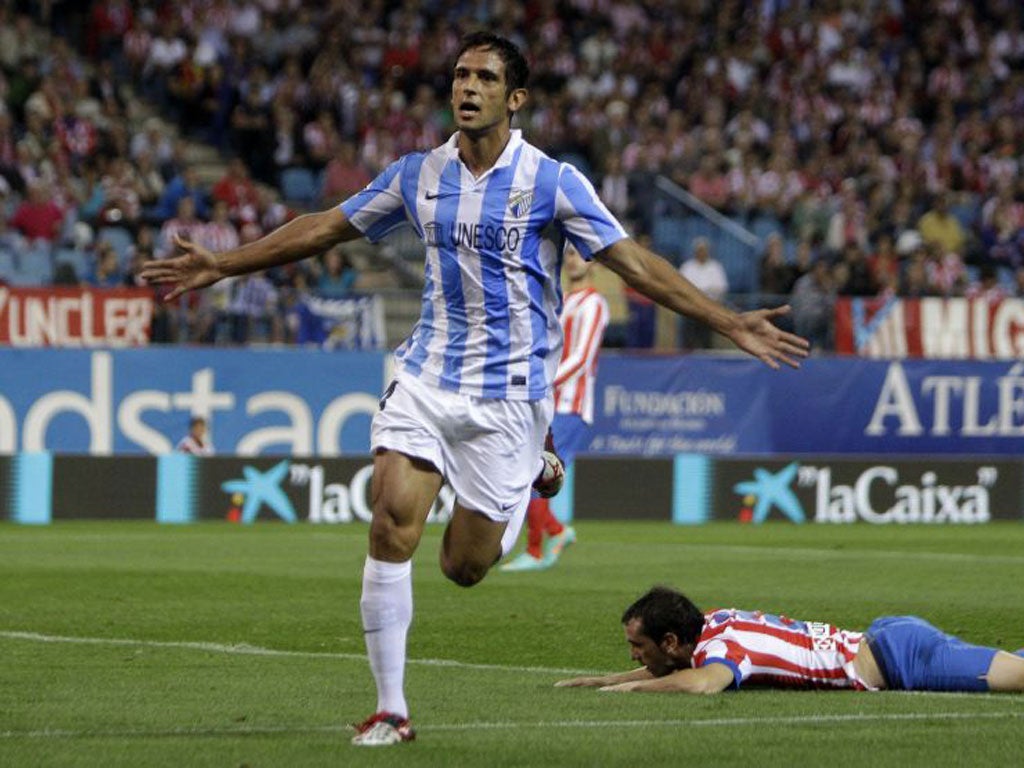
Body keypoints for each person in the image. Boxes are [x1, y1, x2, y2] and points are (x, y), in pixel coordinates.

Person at [141, 32, 809, 747]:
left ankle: (528, 477)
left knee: (463, 567)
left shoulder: (553, 181)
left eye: (485, 77)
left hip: (508, 400)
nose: (467, 86)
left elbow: (634, 264)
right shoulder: (417, 174)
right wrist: (225, 264)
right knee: (390, 516)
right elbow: (326, 227)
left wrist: (726, 321)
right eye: (461, 74)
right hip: (428, 375)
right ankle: (391, 710)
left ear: (514, 99)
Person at [555, 586, 1024, 694]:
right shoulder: (713, 623)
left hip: (901, 659)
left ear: (673, 640)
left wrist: (631, 688)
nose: (635, 656)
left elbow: (704, 683)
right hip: (883, 641)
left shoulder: (722, 651)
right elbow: (682, 668)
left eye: (640, 647)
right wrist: (604, 679)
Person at [501, 243, 607, 571]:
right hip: (551, 402)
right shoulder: (564, 301)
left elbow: (581, 356)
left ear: (592, 264)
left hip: (572, 404)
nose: (573, 259)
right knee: (531, 469)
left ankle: (536, 551)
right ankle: (557, 532)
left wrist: (544, 380)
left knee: (536, 471)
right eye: (570, 253)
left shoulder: (594, 303)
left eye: (580, 254)